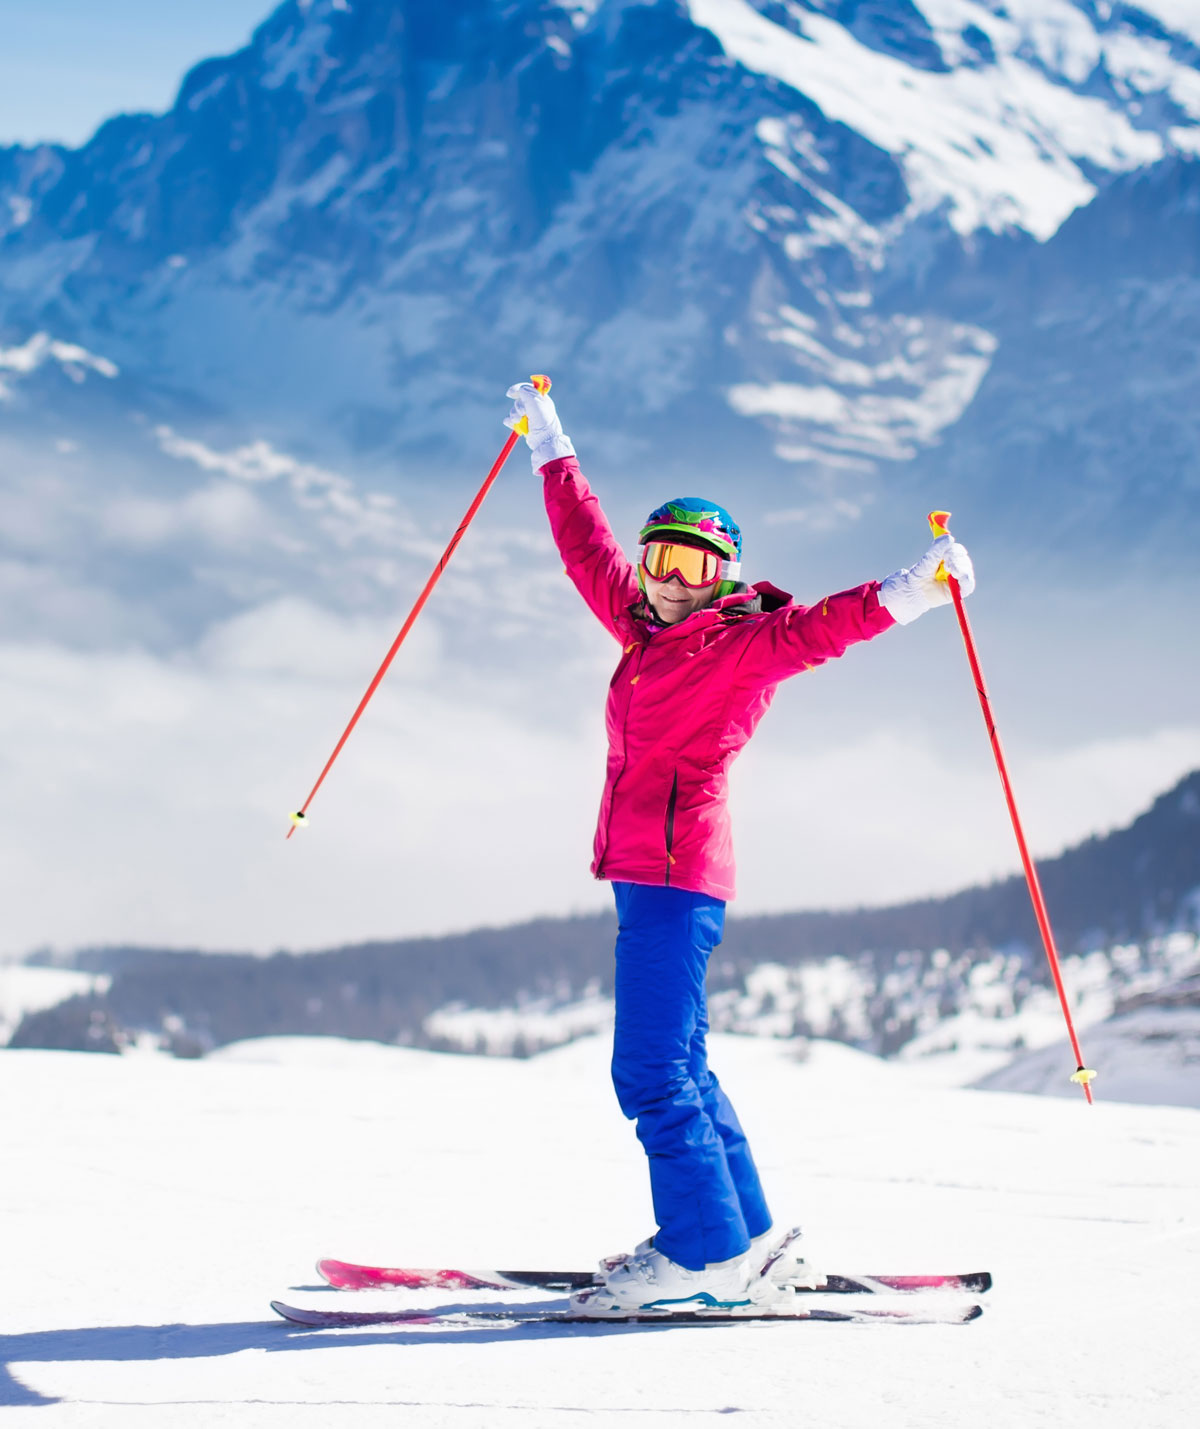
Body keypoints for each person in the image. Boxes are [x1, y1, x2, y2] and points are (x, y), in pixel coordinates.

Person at [503, 381, 975, 1315]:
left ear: (723, 576)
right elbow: (582, 545)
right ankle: (747, 1238)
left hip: (676, 874)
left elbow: (824, 629)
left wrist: (913, 591)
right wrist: (550, 446)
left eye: (694, 563)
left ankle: (702, 1253)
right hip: (647, 873)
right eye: (660, 557)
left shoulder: (739, 644)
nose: (672, 577)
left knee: (647, 1069)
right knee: (684, 1060)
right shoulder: (639, 623)